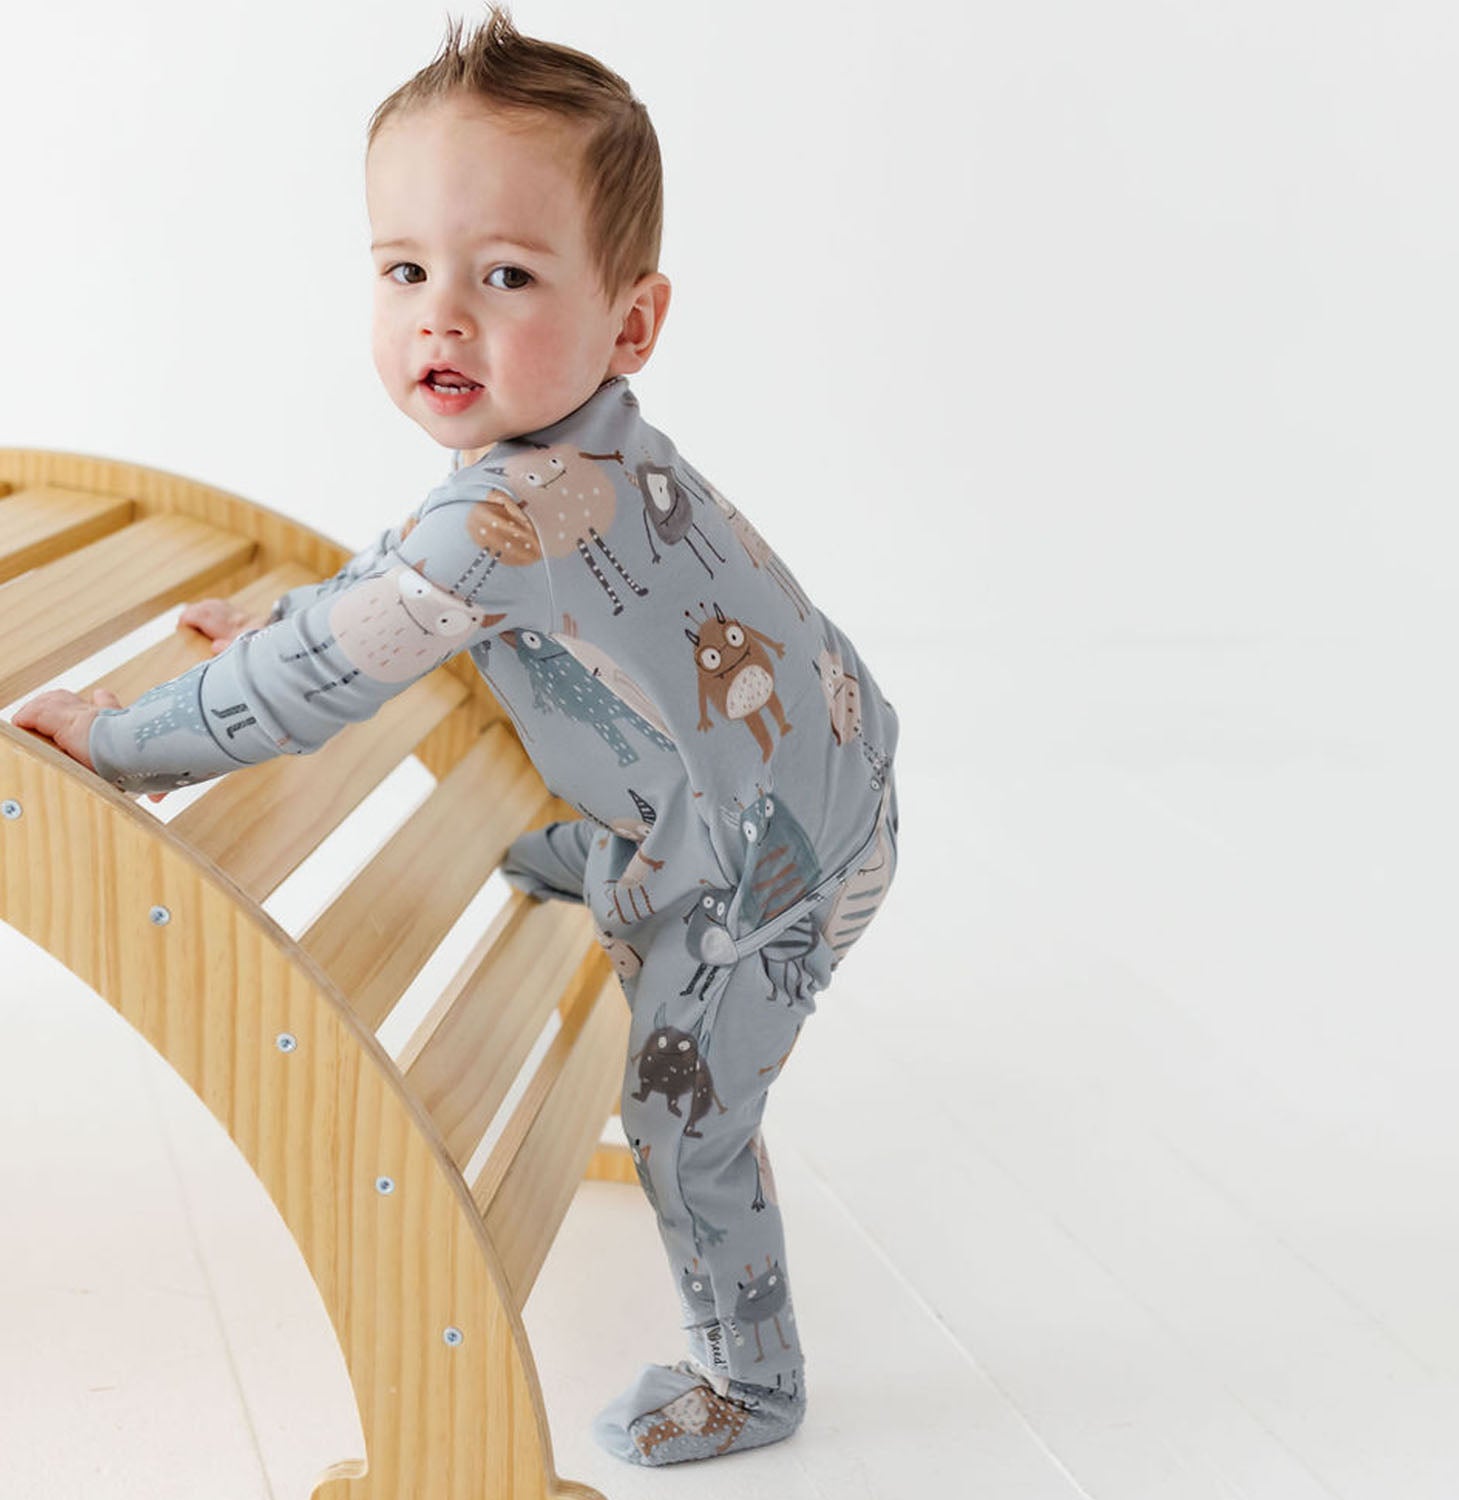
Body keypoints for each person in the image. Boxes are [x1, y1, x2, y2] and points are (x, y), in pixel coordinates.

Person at [12, 4, 899, 1468]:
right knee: (594, 712)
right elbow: (422, 577)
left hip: (779, 860)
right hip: (793, 757)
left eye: (506, 275)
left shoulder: (507, 516)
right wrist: (320, 601)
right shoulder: (559, 462)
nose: (443, 314)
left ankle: (751, 1378)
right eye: (406, 269)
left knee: (685, 1117)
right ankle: (632, 848)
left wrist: (122, 741)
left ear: (632, 322)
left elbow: (324, 682)